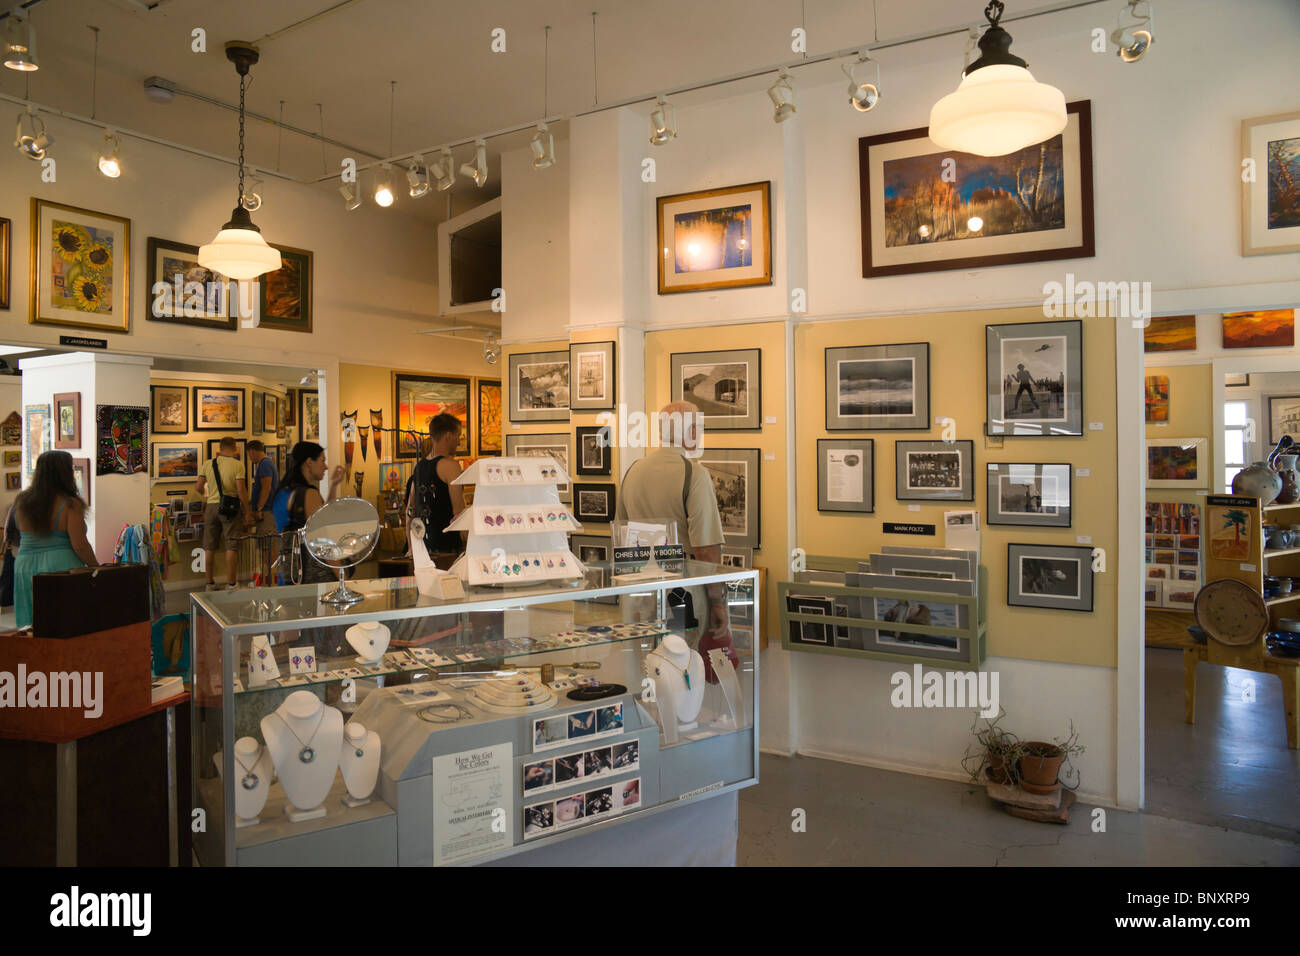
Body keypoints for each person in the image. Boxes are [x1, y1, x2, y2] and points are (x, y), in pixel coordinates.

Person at [615, 401, 730, 638]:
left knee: (646, 663)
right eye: (699, 427)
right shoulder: (695, 474)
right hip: (681, 587)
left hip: (638, 588)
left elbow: (621, 533)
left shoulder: (633, 470)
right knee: (682, 661)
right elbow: (706, 549)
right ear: (690, 432)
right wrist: (717, 600)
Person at [13, 450, 98, 629]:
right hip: (60, 565)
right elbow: (80, 545)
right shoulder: (69, 503)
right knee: (63, 623)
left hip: (25, 564)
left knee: (32, 623)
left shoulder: (22, 500)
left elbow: (16, 534)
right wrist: (96, 567)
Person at [282, 440, 346, 584]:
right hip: (311, 572)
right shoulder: (309, 494)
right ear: (309, 462)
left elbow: (323, 515)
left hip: (290, 568)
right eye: (322, 461)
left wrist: (333, 485)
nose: (326, 466)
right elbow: (321, 539)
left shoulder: (287, 490)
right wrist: (342, 576)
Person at [404, 412, 467, 558]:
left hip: (423, 548)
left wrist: (411, 547)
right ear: (448, 436)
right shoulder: (451, 466)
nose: (458, 442)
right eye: (458, 435)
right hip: (447, 549)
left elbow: (410, 512)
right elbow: (459, 513)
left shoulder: (419, 467)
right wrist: (469, 543)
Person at [195, 436, 251, 591]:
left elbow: (198, 487)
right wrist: (247, 511)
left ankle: (209, 583)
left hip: (211, 507)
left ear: (220, 448)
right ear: (235, 448)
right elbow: (240, 490)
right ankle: (231, 583)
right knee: (231, 545)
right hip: (229, 508)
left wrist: (209, 495)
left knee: (209, 546)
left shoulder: (208, 464)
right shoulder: (237, 465)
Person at [246, 440, 279, 534]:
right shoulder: (267, 463)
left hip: (266, 511)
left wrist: (259, 508)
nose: (249, 458)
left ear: (252, 451)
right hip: (268, 509)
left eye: (248, 454)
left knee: (267, 543)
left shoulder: (265, 464)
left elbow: (266, 488)